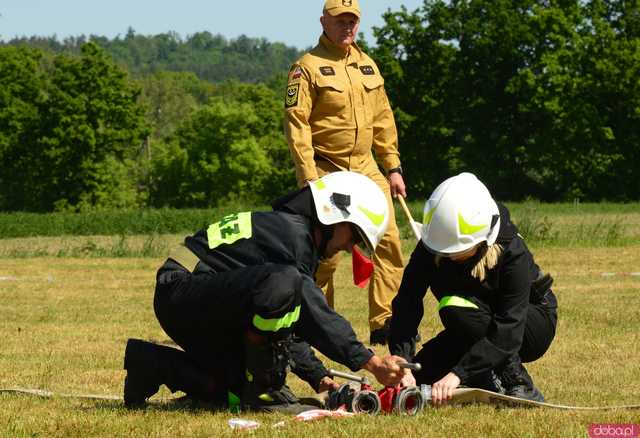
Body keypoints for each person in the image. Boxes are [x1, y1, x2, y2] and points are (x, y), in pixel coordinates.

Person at [123, 171, 407, 414]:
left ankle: (150, 363)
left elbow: (285, 323)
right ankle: (266, 391)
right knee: (285, 283)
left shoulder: (288, 233)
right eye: (354, 237)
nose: (349, 248)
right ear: (333, 215)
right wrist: (371, 361)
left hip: (187, 296)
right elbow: (310, 309)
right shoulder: (292, 237)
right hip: (183, 292)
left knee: (232, 394)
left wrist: (318, 377)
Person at [284, 0, 406, 345]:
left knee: (390, 244)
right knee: (327, 255)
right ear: (324, 20)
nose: (347, 27)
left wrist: (392, 166)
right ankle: (314, 324)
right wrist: (309, 177)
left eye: (352, 21)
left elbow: (383, 120)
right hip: (327, 169)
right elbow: (297, 125)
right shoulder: (306, 67)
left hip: (367, 167)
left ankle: (386, 324)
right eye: (340, 20)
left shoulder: (368, 66)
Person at [388, 172, 558, 404]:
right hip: (472, 325)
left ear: (481, 241)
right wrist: (402, 362)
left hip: (529, 325)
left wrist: (458, 374)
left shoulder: (511, 251)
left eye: (455, 252)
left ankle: (517, 382)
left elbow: (510, 325)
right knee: (422, 377)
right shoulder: (433, 243)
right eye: (444, 252)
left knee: (455, 306)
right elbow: (407, 302)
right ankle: (482, 374)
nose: (447, 257)